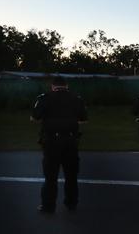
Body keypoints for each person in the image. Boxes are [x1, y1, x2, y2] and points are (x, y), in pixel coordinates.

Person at [31, 76, 87, 213]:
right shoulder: (77, 98)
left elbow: (34, 117)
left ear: (53, 86)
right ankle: (71, 203)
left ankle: (48, 206)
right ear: (66, 86)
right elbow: (84, 119)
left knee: (50, 176)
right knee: (71, 175)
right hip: (71, 141)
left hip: (51, 142)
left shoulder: (44, 98)